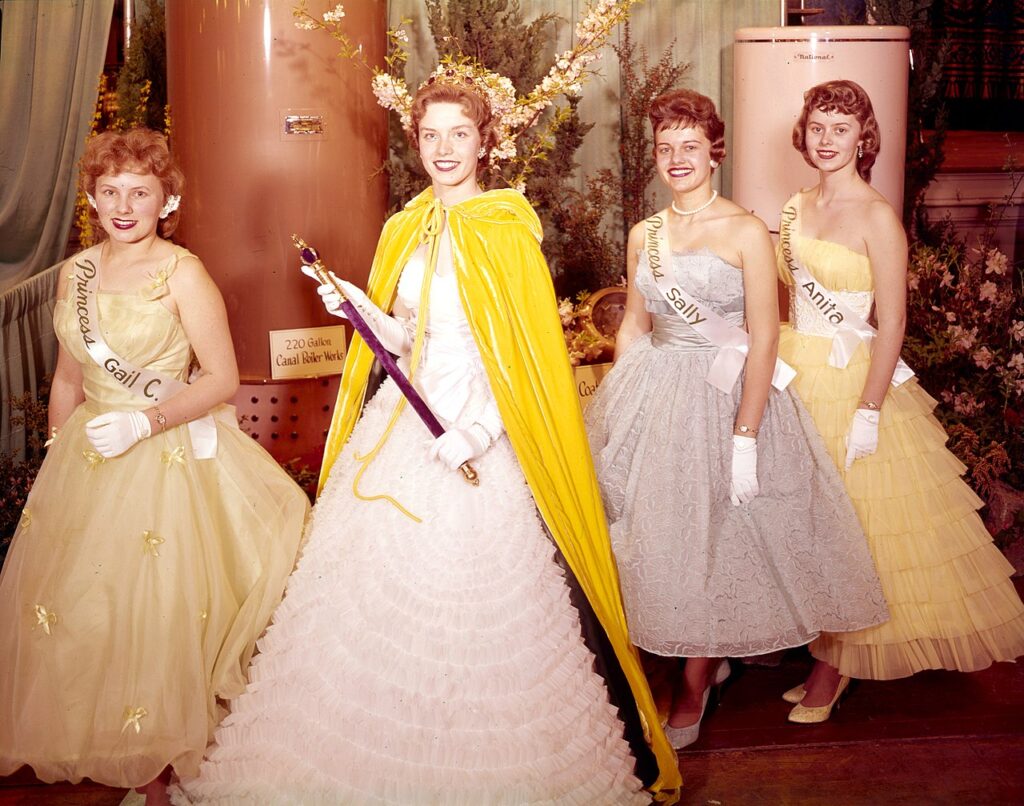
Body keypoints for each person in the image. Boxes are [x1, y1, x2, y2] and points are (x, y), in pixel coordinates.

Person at [171, 78, 680, 804]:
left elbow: (528, 361)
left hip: (479, 438)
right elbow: (407, 340)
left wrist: (476, 430)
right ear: (417, 144)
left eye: (459, 135)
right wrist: (360, 311)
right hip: (406, 431)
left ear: (486, 143)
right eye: (431, 136)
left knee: (475, 617)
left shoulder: (507, 229)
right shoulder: (406, 225)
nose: (444, 150)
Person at [0, 129, 308, 804]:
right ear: (90, 196)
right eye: (109, 191)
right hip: (90, 454)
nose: (123, 204)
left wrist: (144, 421)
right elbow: (68, 378)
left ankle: (156, 765)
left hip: (162, 450)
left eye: (140, 192)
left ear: (167, 201)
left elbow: (221, 378)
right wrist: (59, 454)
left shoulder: (183, 272)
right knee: (85, 607)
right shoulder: (76, 274)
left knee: (155, 609)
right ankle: (106, 739)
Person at [584, 89, 889, 748]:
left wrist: (744, 436)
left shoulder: (747, 230)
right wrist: (617, 406)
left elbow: (763, 336)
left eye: (690, 147)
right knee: (657, 537)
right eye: (666, 149)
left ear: (714, 152)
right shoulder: (646, 235)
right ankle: (690, 662)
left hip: (726, 398)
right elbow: (635, 324)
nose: (677, 159)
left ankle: (694, 686)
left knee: (714, 540)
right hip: (656, 393)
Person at [776, 79, 1024, 722]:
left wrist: (868, 408)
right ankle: (820, 653)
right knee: (809, 522)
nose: (828, 140)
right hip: (797, 368)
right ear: (804, 133)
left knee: (855, 526)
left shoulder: (878, 216)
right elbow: (786, 298)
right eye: (819, 126)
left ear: (865, 139)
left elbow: (891, 324)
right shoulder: (794, 206)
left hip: (854, 378)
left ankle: (834, 669)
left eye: (842, 128)